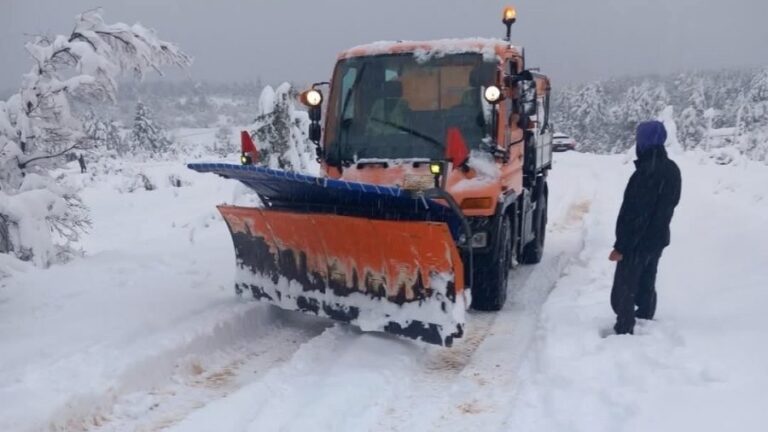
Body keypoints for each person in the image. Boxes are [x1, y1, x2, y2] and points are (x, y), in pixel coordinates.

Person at [609, 121, 681, 335]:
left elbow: (636, 213)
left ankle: (624, 329)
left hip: (636, 242)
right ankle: (646, 322)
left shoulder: (646, 172)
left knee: (624, 291)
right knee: (646, 283)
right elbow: (670, 204)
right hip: (657, 239)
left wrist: (622, 246)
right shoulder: (671, 169)